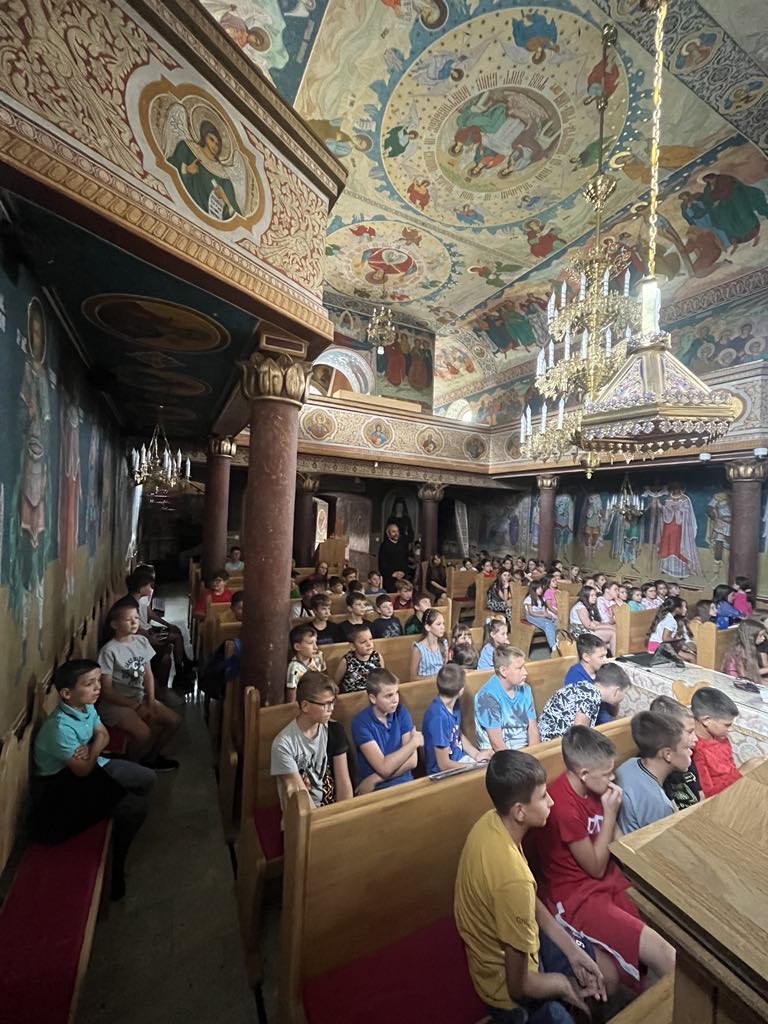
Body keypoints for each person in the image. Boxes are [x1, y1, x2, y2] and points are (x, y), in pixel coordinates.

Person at [455, 749, 611, 1023]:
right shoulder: (513, 878)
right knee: (565, 1013)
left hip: (521, 949)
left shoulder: (492, 821)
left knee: (587, 961)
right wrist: (563, 985)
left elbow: (529, 901)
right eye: (542, 796)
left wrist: (572, 950)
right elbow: (519, 986)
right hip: (506, 991)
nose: (551, 801)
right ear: (520, 811)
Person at [534, 727, 676, 989]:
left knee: (665, 931)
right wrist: (611, 812)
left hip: (609, 879)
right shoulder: (563, 807)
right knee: (662, 953)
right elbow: (596, 868)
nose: (613, 778)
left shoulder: (596, 788)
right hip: (576, 895)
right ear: (584, 774)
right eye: (607, 773)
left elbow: (619, 842)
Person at [32, 659, 156, 900]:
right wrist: (96, 746)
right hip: (62, 787)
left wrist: (92, 747)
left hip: (91, 767)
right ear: (66, 693)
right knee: (135, 807)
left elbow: (103, 734)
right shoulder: (59, 728)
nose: (98, 687)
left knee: (147, 779)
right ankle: (116, 864)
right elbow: (83, 771)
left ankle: (121, 830)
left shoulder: (85, 707)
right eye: (90, 683)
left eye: (98, 681)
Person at [97, 604, 181, 771]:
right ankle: (133, 767)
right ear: (115, 625)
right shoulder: (109, 651)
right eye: (128, 619)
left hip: (138, 698)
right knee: (143, 734)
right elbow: (106, 692)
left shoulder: (141, 641)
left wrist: (150, 702)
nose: (134, 622)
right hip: (115, 705)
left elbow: (148, 674)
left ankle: (151, 758)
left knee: (174, 721)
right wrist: (136, 706)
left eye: (136, 618)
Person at [270, 672, 353, 810]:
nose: (331, 708)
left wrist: (345, 815)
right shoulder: (283, 745)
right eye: (325, 704)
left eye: (332, 702)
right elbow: (302, 801)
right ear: (305, 706)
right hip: (303, 815)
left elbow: (344, 784)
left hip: (332, 809)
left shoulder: (334, 729)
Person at [615, 712, 692, 833]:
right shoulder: (660, 805)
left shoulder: (629, 764)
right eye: (686, 748)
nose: (690, 752)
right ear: (667, 754)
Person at [351, 668, 422, 794]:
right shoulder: (360, 723)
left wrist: (375, 779)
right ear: (373, 698)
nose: (395, 699)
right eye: (389, 696)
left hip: (405, 782)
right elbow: (384, 768)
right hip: (379, 791)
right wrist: (414, 743)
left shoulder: (401, 712)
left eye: (396, 693)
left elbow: (412, 761)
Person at [691, 687, 766, 796]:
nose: (730, 729)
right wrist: (742, 772)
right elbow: (708, 794)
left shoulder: (721, 738)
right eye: (727, 725)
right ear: (706, 720)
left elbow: (730, 770)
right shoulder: (695, 750)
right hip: (720, 798)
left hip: (735, 788)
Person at [538, 663, 629, 742]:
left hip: (547, 734)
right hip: (553, 742)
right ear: (616, 691)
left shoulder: (586, 686)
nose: (623, 697)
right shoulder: (591, 698)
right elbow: (579, 735)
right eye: (624, 693)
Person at [474, 645, 540, 753]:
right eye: (519, 668)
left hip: (523, 749)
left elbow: (533, 729)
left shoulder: (526, 689)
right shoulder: (487, 696)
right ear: (503, 671)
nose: (525, 672)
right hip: (498, 754)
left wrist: (535, 754)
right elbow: (497, 744)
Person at [422, 663, 486, 775]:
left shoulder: (455, 704)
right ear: (461, 690)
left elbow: (457, 734)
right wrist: (473, 767)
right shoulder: (438, 717)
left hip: (459, 760)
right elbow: (443, 765)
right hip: (442, 773)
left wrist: (477, 755)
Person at [649, 695, 702, 809]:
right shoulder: (659, 771)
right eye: (689, 732)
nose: (696, 738)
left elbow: (701, 795)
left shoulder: (687, 756)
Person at [335, 623, 384, 693]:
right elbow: (335, 683)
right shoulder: (346, 661)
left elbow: (382, 679)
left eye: (370, 639)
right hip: (353, 697)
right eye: (363, 642)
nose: (369, 644)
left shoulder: (377, 656)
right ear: (352, 646)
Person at [286, 624, 326, 702]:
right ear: (297, 647)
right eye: (310, 643)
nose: (315, 647)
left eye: (316, 642)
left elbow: (325, 678)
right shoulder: (294, 668)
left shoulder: (318, 657)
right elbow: (291, 700)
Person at [722, 617, 766, 682]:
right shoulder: (738, 653)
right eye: (761, 635)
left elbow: (752, 673)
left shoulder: (749, 650)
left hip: (745, 682)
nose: (763, 638)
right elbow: (743, 677)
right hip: (735, 683)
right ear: (752, 636)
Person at [410, 608, 448, 677]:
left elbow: (446, 668)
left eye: (443, 624)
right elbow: (413, 677)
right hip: (425, 683)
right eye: (438, 624)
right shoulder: (418, 649)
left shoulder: (444, 643)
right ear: (428, 627)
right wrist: (433, 678)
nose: (443, 627)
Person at [523, 580, 559, 652]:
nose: (540, 590)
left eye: (541, 588)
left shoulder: (541, 598)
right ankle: (553, 645)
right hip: (531, 616)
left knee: (554, 621)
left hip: (541, 614)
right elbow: (531, 612)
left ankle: (556, 640)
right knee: (547, 624)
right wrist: (543, 615)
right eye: (538, 588)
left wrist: (547, 615)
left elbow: (544, 609)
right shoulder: (529, 599)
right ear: (533, 589)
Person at [378, 522, 410, 591]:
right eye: (393, 532)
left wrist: (403, 572)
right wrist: (393, 574)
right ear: (388, 533)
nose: (396, 534)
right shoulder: (384, 546)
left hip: (403, 578)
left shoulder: (402, 545)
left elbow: (406, 561)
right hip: (389, 580)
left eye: (397, 531)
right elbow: (382, 564)